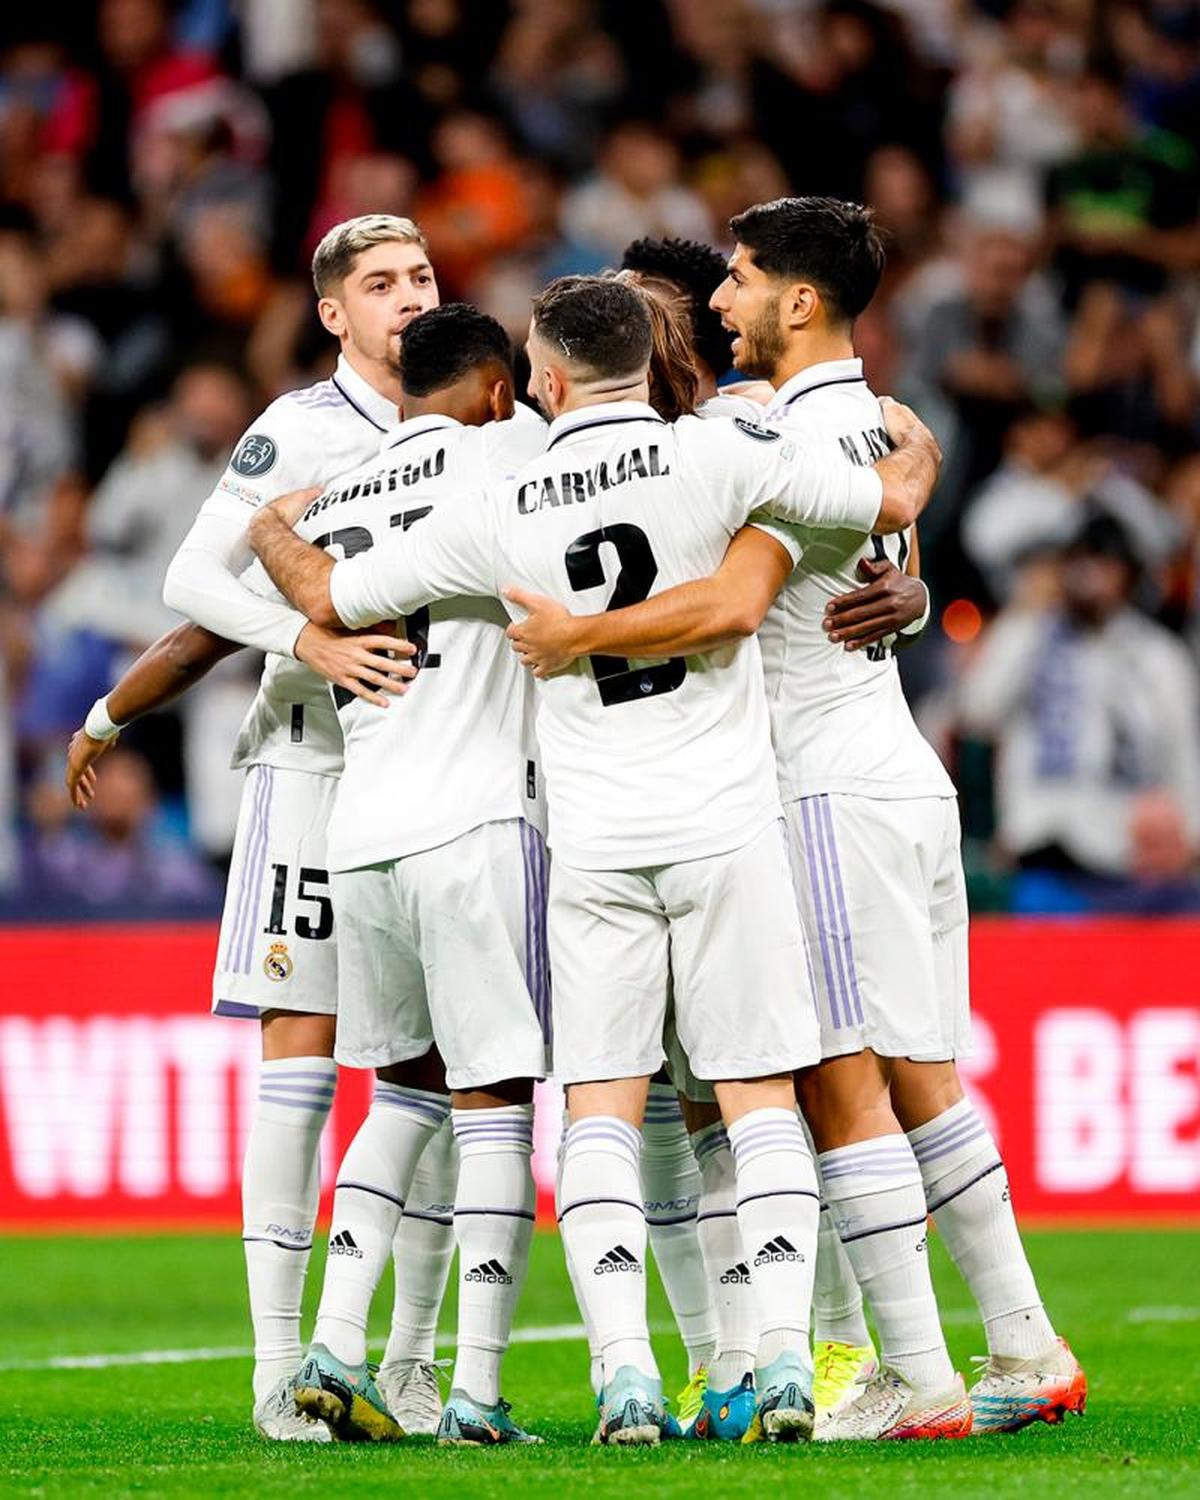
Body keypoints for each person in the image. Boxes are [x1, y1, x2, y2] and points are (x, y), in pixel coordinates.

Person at [246, 273, 941, 1445]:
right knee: (758, 1094)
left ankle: (621, 1378)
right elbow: (882, 500)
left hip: (592, 845)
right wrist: (914, 467)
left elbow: (332, 590)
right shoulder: (718, 456)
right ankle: (778, 1365)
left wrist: (269, 525)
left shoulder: (503, 497)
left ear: (549, 379)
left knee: (602, 1111)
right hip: (726, 824)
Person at [506, 197, 1086, 1440]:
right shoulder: (857, 423)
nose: (721, 307)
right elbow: (882, 529)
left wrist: (573, 637)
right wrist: (914, 576)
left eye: (741, 282)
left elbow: (740, 597)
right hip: (885, 770)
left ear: (797, 300)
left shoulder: (758, 426)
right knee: (922, 1079)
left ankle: (911, 1374)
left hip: (818, 787)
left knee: (840, 1083)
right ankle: (1024, 1342)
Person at [64, 214, 457, 1442]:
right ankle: (280, 1369)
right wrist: (310, 640)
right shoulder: (299, 426)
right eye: (382, 285)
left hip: (448, 772)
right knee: (303, 1052)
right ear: (334, 313)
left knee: (439, 1065)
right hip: (315, 768)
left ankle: (408, 1367)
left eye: (424, 278)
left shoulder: (482, 420)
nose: (409, 298)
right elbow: (195, 585)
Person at [240, 304, 547, 1446]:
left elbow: (272, 538)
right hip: (471, 824)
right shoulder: (504, 449)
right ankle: (472, 1389)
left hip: (358, 832)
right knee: (498, 1101)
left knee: (401, 1093)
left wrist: (277, 526)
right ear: (492, 388)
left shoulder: (353, 487)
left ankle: (333, 1345)